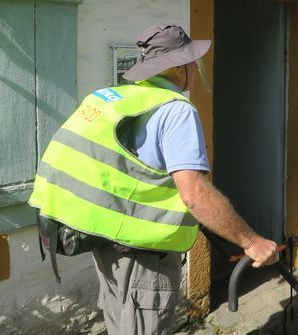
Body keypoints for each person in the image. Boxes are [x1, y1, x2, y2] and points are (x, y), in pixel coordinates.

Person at [29, 24, 278, 334]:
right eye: (191, 60)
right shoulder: (176, 110)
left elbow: (130, 173)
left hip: (107, 247)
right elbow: (194, 194)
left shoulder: (120, 98)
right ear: (178, 66)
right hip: (143, 258)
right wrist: (251, 241)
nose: (195, 68)